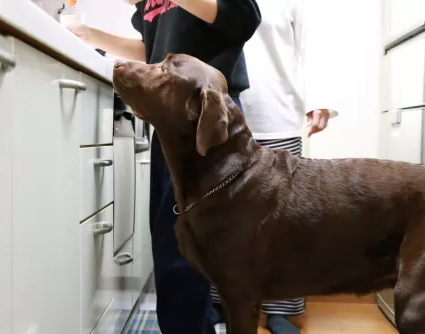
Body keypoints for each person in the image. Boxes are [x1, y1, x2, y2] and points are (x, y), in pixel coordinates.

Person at [65, 1, 261, 333]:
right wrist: (89, 34)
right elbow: (150, 48)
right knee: (172, 244)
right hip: (173, 124)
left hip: (204, 118)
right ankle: (199, 325)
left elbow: (243, 17)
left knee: (184, 251)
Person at [209, 0, 339, 333]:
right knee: (220, 221)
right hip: (221, 115)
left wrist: (320, 100)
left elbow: (314, 47)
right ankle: (219, 301)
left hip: (277, 115)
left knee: (284, 223)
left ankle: (281, 309)